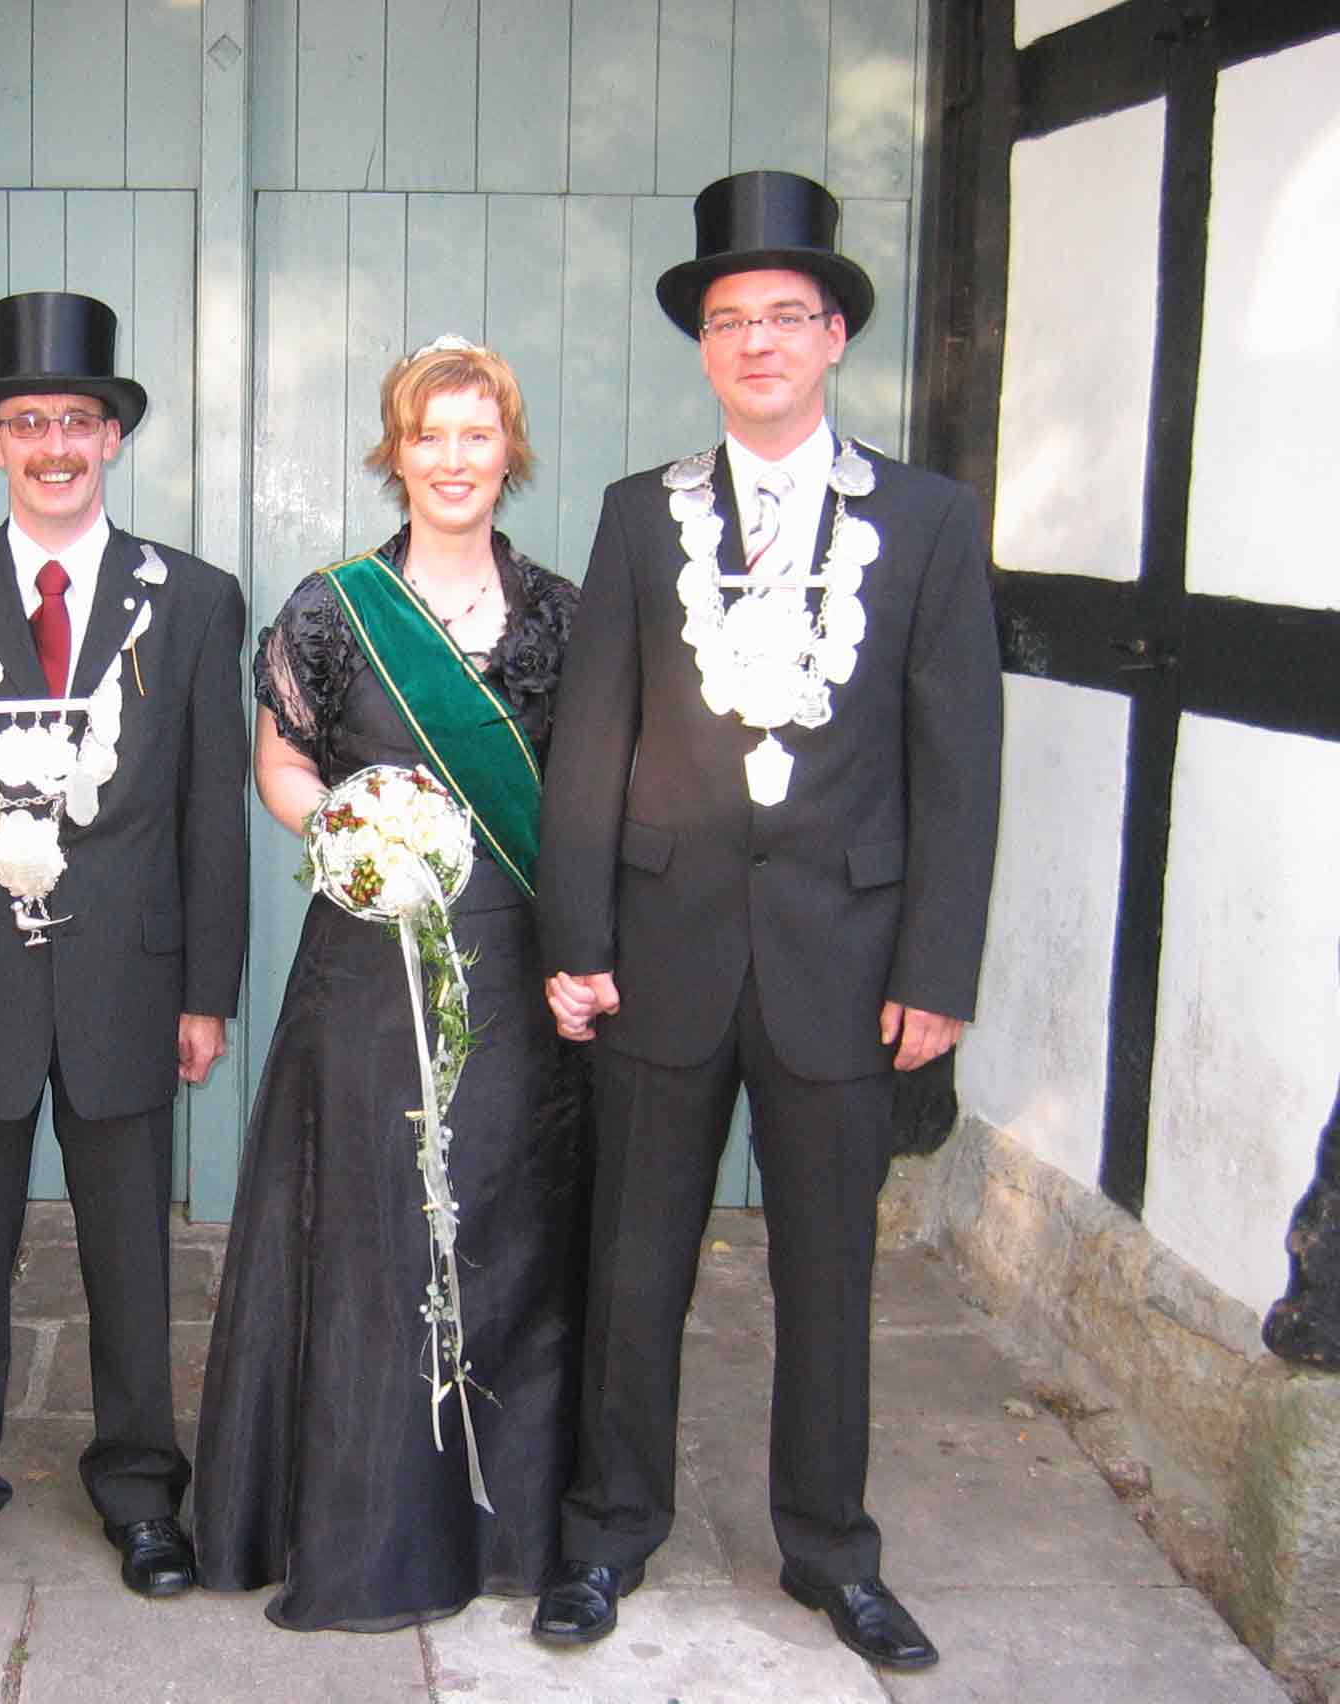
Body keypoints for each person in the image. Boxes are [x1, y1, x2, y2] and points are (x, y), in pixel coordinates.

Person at [532, 171, 1003, 1670]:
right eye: (730, 320)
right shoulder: (639, 514)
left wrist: (938, 968)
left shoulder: (928, 518)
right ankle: (607, 1533)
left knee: (828, 1276)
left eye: (786, 317)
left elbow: (958, 762)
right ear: (704, 346)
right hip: (659, 954)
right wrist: (574, 941)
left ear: (835, 335)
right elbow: (591, 743)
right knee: (634, 1265)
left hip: (846, 966)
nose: (757, 343)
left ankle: (831, 1552)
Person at [194, 337, 590, 1631]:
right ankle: (367, 1526)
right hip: (368, 963)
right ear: (396, 452)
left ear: (508, 451)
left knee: (504, 1226)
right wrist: (351, 833)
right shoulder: (332, 609)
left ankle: (507, 1524)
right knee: (375, 1228)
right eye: (431, 436)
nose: (454, 459)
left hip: (514, 968)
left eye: (479, 434)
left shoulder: (563, 615)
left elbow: (585, 796)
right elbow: (281, 767)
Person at [0, 292, 248, 1602]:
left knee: (131, 1255)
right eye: (26, 421)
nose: (53, 445)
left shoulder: (192, 599)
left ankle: (142, 1492)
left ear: (112, 438)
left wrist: (207, 992)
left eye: (76, 420)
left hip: (127, 981)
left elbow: (210, 807)